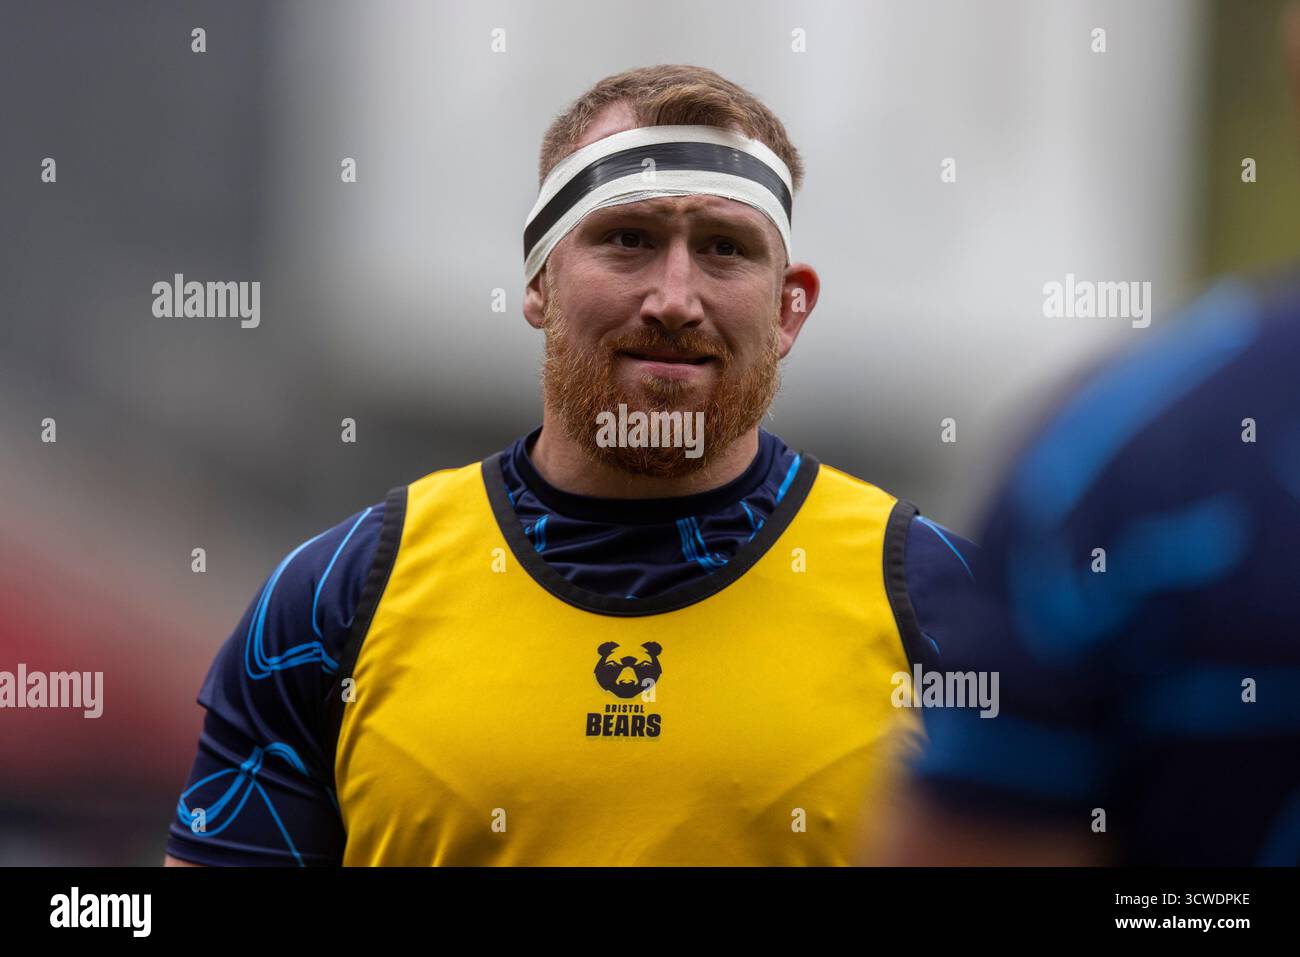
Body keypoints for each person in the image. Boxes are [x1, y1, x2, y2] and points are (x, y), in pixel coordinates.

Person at [164, 64, 983, 866]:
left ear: (788, 306)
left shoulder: (947, 604)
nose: (674, 298)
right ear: (540, 281)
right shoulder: (335, 602)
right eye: (629, 239)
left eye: (724, 248)